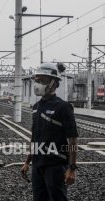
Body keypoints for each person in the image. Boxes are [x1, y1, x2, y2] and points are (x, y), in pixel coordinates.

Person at [21, 63, 78, 201]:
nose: (37, 84)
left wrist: (72, 168)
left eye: (42, 81)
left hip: (56, 165)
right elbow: (35, 136)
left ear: (54, 83)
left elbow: (73, 139)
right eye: (37, 80)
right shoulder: (36, 107)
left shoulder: (63, 107)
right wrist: (27, 161)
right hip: (38, 164)